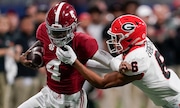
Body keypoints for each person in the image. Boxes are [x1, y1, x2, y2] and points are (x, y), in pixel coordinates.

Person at [56, 15, 180, 108]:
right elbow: (113, 64)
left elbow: (102, 82)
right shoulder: (140, 43)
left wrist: (74, 62)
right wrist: (83, 62)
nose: (114, 41)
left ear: (131, 38)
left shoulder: (137, 58)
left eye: (118, 37)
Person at [19, 2, 118, 108]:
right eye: (53, 32)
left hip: (71, 100)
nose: (56, 37)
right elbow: (42, 46)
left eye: (61, 32)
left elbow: (107, 62)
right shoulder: (43, 31)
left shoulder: (82, 41)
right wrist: (27, 55)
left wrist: (119, 64)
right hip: (48, 94)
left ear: (73, 28)